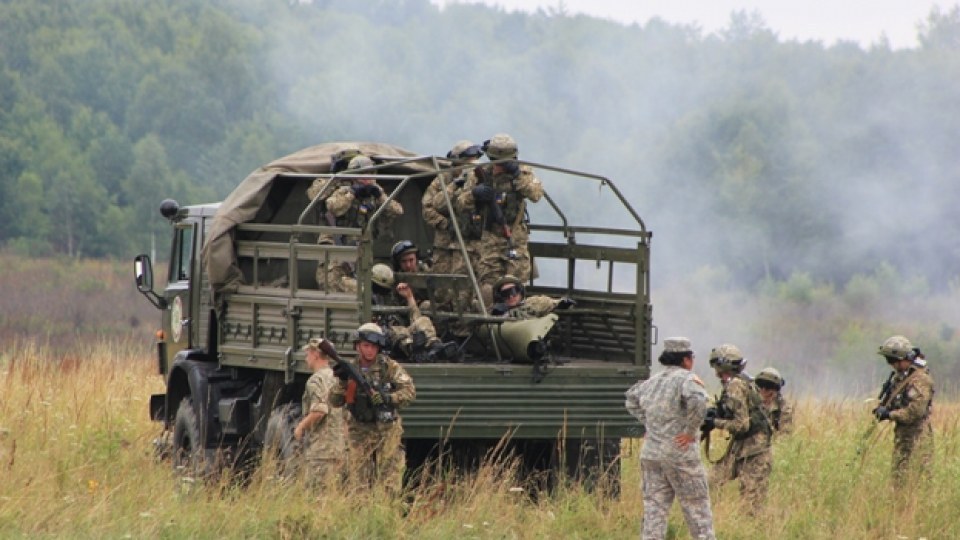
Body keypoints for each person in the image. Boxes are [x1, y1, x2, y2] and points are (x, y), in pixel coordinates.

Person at [625, 337, 715, 540]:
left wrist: (649, 424)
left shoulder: (652, 381)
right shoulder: (687, 379)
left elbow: (631, 399)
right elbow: (699, 401)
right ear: (686, 359)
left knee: (654, 511)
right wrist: (690, 432)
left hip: (651, 454)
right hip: (679, 453)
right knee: (697, 508)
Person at [457, 133, 544, 306]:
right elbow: (460, 204)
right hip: (490, 238)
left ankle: (516, 321)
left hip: (515, 237)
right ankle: (493, 321)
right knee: (488, 287)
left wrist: (517, 174)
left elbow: (536, 195)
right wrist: (474, 194)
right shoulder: (481, 174)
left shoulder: (523, 173)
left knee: (516, 287)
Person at [329, 323, 416, 492]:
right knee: (359, 485)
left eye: (374, 347)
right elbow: (334, 401)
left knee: (389, 483)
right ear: (357, 346)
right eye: (366, 346)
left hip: (387, 429)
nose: (369, 350)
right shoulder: (350, 369)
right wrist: (343, 383)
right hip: (359, 430)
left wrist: (388, 398)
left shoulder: (388, 367)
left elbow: (409, 392)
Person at [701, 343, 772, 513]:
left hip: (755, 453)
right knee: (709, 482)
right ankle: (715, 515)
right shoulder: (743, 381)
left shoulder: (735, 385)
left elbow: (741, 425)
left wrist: (715, 423)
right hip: (743, 449)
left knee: (751, 508)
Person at [316, 155, 403, 292]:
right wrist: (353, 193)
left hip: (361, 249)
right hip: (337, 247)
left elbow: (397, 211)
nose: (368, 178)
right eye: (363, 174)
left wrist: (380, 195)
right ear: (354, 176)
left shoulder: (375, 191)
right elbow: (333, 207)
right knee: (336, 285)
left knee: (366, 288)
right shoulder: (344, 190)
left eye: (370, 173)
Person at [421, 141, 484, 310]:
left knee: (467, 288)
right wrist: (446, 223)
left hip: (471, 243)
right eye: (469, 159)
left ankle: (464, 324)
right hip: (444, 243)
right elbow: (429, 207)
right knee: (442, 289)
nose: (473, 163)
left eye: (475, 159)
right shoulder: (443, 179)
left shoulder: (480, 178)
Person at [872, 335, 934, 480]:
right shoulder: (901, 378)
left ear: (903, 358)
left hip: (918, 438)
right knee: (899, 480)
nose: (891, 364)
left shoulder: (920, 379)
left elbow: (915, 411)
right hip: (903, 437)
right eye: (889, 360)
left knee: (919, 480)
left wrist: (890, 414)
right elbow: (898, 402)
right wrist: (883, 409)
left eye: (892, 360)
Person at [370, 263, 455, 363]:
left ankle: (435, 347)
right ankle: (414, 351)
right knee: (401, 333)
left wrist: (409, 297)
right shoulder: (369, 300)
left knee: (423, 320)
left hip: (405, 331)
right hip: (388, 336)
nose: (383, 292)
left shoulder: (392, 299)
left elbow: (415, 317)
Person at [294, 337, 348, 489]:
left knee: (318, 497)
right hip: (340, 449)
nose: (306, 358)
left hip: (321, 452)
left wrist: (300, 427)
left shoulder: (316, 380)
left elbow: (319, 410)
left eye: (308, 354)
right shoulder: (337, 378)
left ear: (315, 355)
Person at [489, 274, 575, 318]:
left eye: (514, 291)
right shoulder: (495, 313)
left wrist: (561, 303)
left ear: (520, 291)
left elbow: (547, 303)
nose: (511, 296)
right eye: (505, 294)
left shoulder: (531, 304)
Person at [755, 367, 794, 435]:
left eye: (768, 386)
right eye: (761, 385)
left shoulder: (783, 407)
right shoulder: (752, 401)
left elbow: (785, 434)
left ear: (776, 389)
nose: (763, 390)